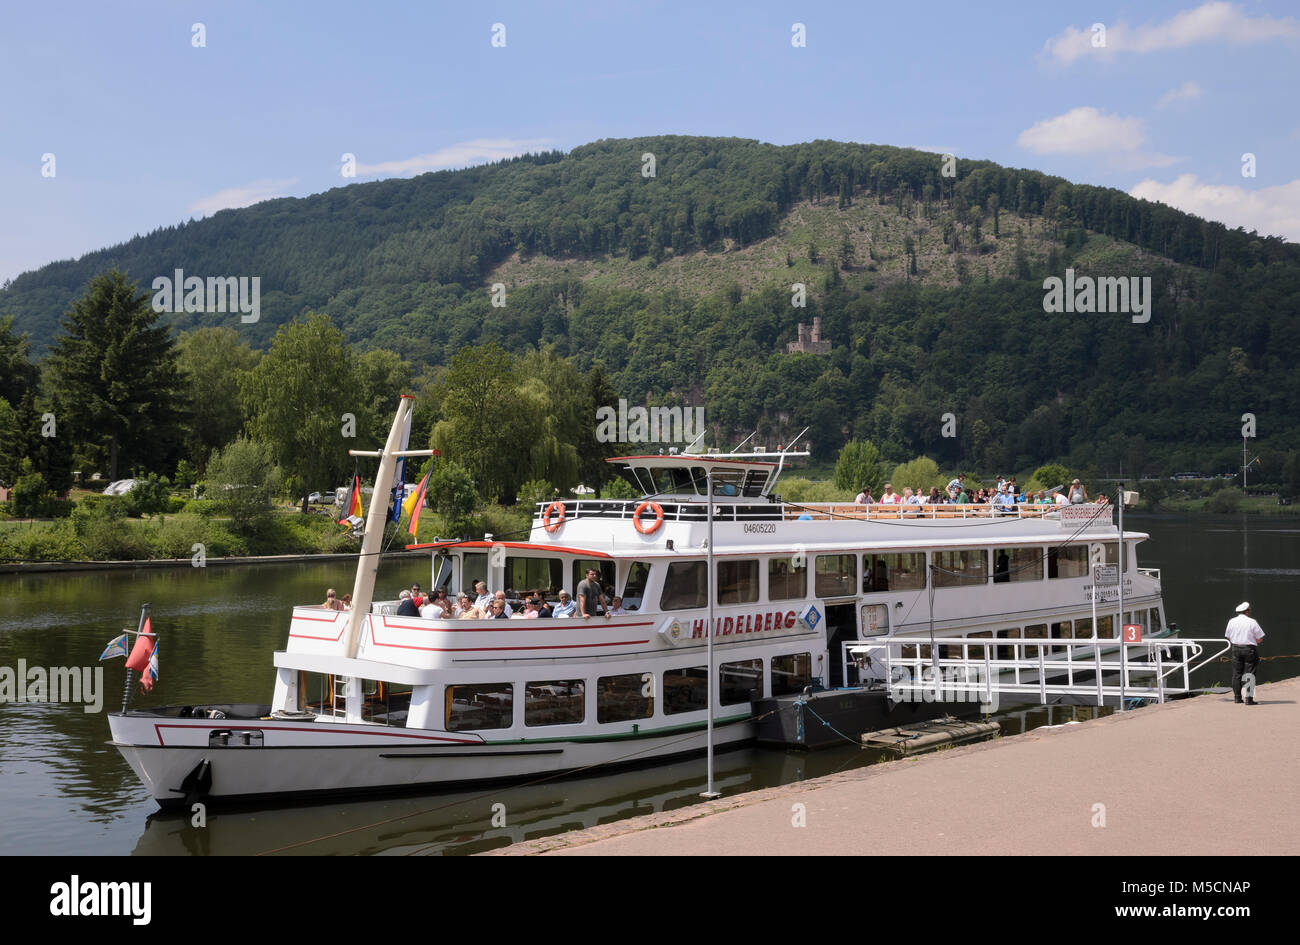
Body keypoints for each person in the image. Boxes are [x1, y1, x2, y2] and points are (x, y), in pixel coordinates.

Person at [1224, 602, 1265, 704]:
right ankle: (1249, 699)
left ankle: (1237, 698)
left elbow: (1228, 636)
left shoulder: (1231, 621)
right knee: (1250, 674)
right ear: (1247, 611)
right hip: (1249, 649)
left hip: (1235, 649)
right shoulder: (1252, 622)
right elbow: (1260, 639)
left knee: (1236, 674)